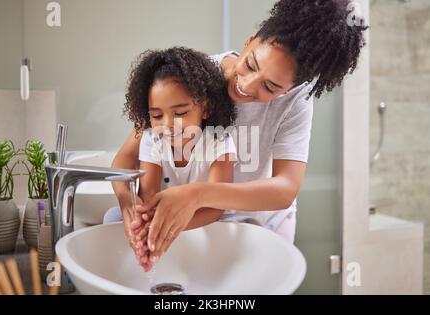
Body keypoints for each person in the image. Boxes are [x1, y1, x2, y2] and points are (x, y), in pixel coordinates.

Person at [110, 0, 367, 270]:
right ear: (250, 40)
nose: (246, 85)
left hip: (260, 227)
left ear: (291, 88)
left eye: (270, 87)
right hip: (197, 222)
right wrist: (128, 202)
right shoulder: (194, 77)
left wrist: (198, 194)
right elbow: (127, 156)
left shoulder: (296, 102)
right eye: (251, 64)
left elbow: (285, 189)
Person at [107, 47, 237, 270]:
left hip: (206, 220)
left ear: (205, 108)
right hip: (163, 217)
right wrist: (146, 229)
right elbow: (149, 194)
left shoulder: (219, 141)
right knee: (112, 218)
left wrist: (170, 227)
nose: (167, 124)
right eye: (157, 115)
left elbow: (216, 207)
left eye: (180, 113)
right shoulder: (152, 139)